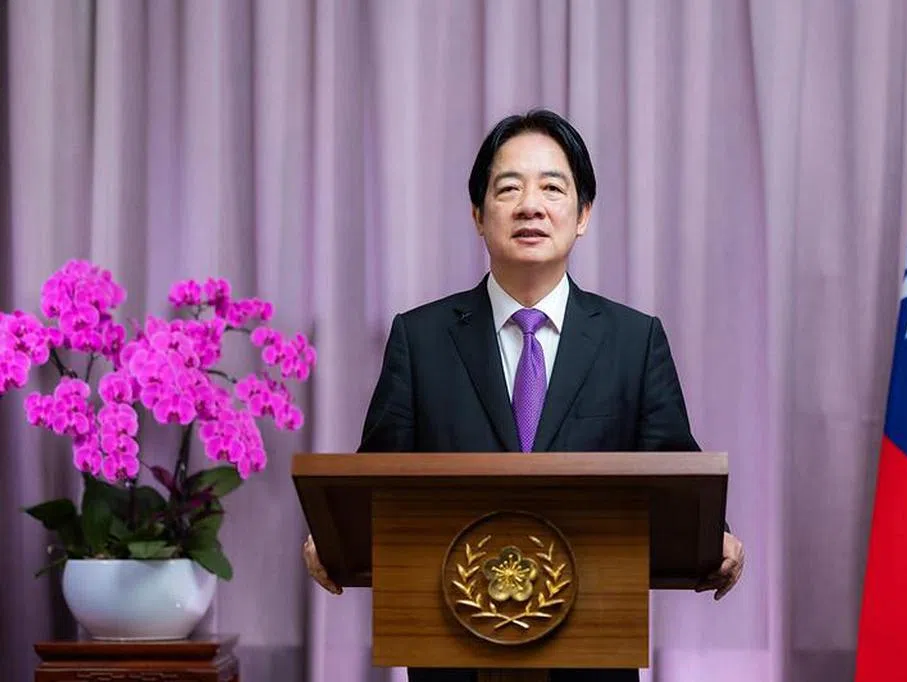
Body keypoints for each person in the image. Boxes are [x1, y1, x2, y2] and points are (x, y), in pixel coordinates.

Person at [303, 109, 745, 681]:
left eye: (552, 188)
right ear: (478, 215)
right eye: (508, 188)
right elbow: (379, 475)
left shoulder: (634, 341)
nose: (530, 206)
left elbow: (677, 474)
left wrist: (715, 536)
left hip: (593, 658)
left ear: (583, 215)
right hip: (453, 653)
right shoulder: (421, 338)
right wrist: (337, 535)